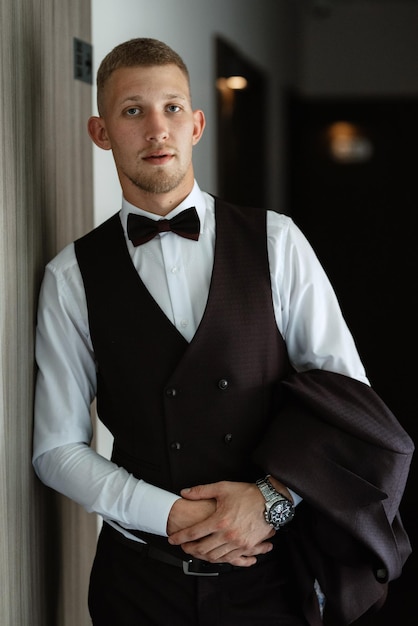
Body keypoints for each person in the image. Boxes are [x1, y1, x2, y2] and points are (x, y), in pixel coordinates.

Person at [33, 37, 413, 626]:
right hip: (136, 585)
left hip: (273, 576)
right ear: (101, 132)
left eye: (173, 108)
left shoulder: (277, 241)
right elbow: (56, 448)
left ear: (198, 124)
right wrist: (168, 515)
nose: (157, 128)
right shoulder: (70, 277)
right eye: (133, 111)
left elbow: (346, 395)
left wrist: (273, 501)